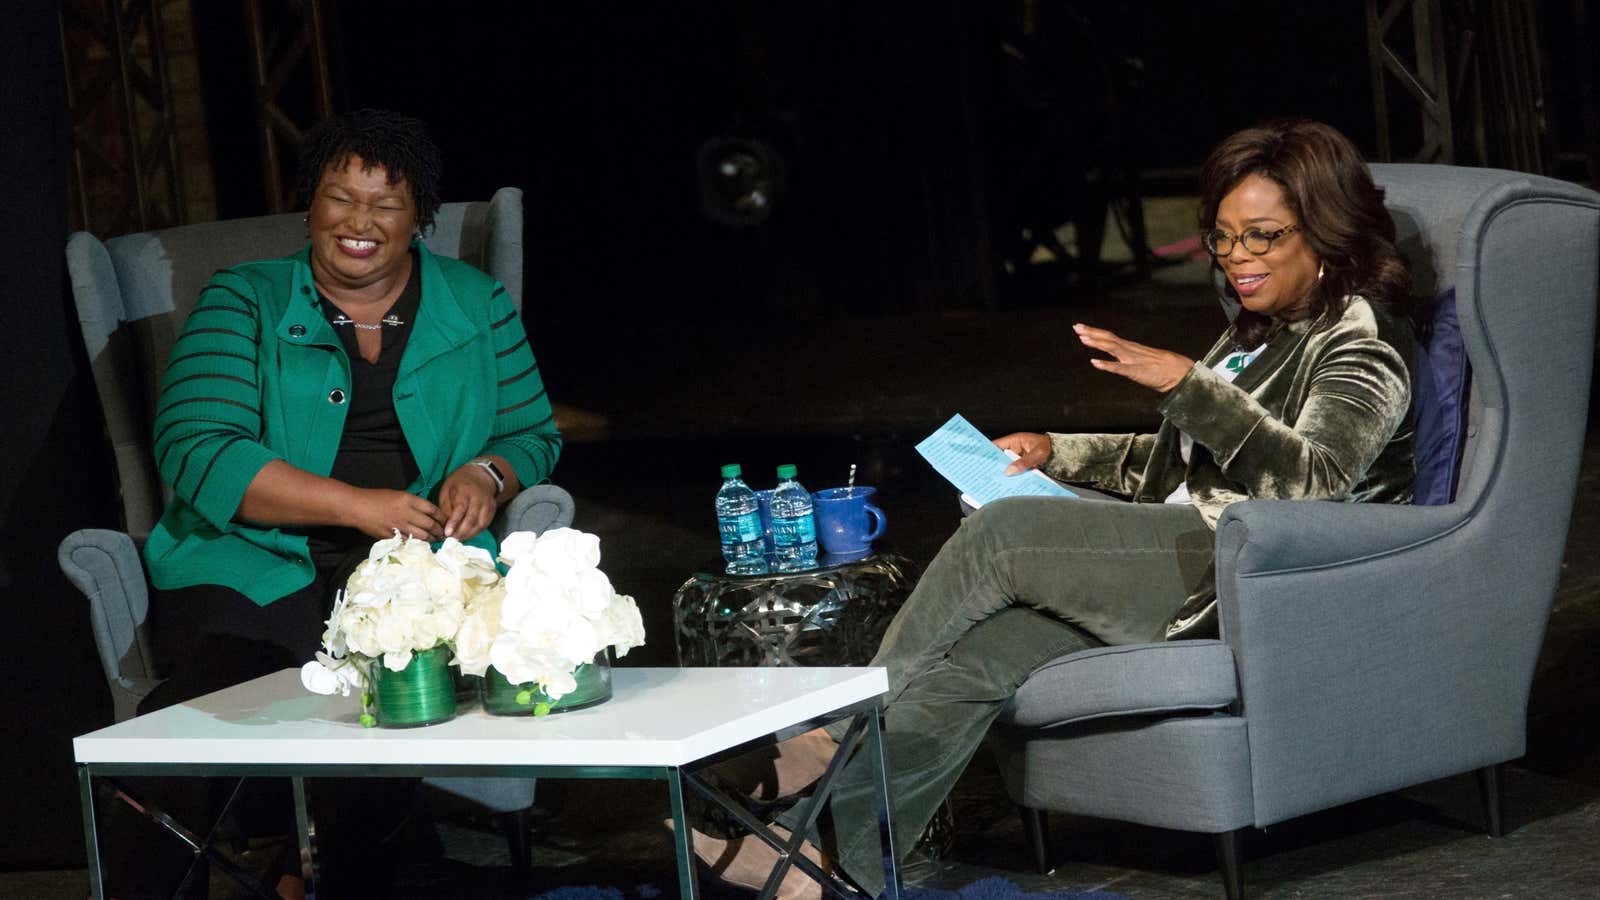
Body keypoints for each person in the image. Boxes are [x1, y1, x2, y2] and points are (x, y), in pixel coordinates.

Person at [691, 119, 1419, 899]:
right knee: (982, 656)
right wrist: (1056, 450)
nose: (1237, 259)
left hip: (1246, 580)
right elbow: (1176, 466)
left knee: (1007, 533)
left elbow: (1312, 482)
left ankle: (832, 731)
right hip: (1179, 554)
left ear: (1328, 231)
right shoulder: (1261, 331)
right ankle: (841, 869)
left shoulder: (1360, 343)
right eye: (1223, 239)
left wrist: (1187, 386)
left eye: (1262, 238)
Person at [113, 108, 561, 898]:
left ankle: (317, 874)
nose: (359, 221)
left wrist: (488, 475)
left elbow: (530, 432)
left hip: (411, 565)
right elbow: (197, 445)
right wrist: (356, 505)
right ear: (309, 205)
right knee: (234, 689)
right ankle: (187, 868)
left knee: (388, 687)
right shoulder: (241, 300)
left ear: (418, 219)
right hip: (249, 557)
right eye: (338, 197)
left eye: (384, 203)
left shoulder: (477, 303)